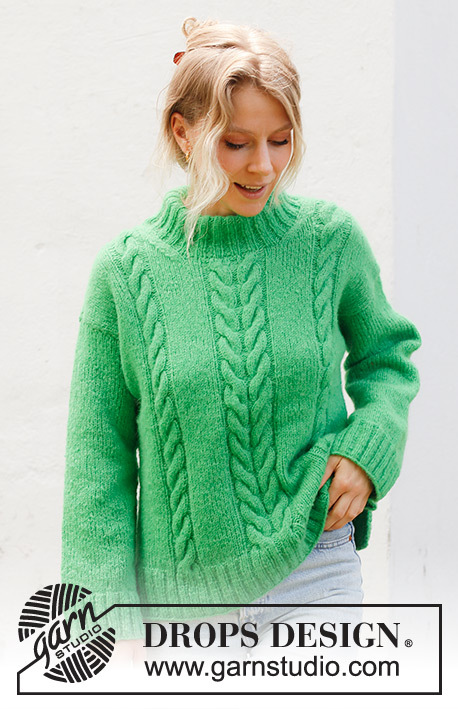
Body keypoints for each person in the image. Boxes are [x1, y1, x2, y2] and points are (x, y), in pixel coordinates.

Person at [61, 17, 421, 665]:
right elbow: (99, 462)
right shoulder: (127, 271)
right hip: (181, 607)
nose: (264, 165)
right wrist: (104, 622)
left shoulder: (329, 241)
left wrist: (369, 449)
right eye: (235, 143)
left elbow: (387, 358)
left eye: (281, 140)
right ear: (184, 132)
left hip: (316, 570)